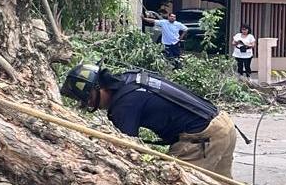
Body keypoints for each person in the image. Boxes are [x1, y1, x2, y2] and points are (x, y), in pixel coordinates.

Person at [61, 64, 237, 177]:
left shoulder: (124, 104)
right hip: (224, 124)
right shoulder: (130, 79)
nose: (90, 104)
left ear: (100, 88)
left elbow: (124, 150)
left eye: (89, 98)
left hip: (202, 138)